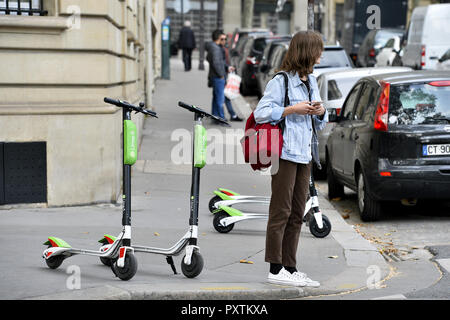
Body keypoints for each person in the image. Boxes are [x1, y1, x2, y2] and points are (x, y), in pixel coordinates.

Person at [253, 31, 328, 287]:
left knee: (298, 212)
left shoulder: (311, 81)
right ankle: (275, 269)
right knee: (281, 211)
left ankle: (290, 267)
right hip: (284, 154)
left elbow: (320, 120)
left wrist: (321, 111)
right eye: (318, 49)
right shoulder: (281, 81)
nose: (321, 54)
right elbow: (261, 113)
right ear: (306, 51)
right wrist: (290, 110)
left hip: (304, 154)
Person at [206, 30, 242, 123]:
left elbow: (220, 62)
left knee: (216, 98)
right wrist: (221, 75)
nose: (225, 40)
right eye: (224, 38)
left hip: (216, 76)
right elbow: (216, 63)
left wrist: (227, 67)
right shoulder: (215, 49)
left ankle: (215, 117)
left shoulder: (215, 47)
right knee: (220, 99)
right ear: (219, 38)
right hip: (218, 77)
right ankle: (221, 118)